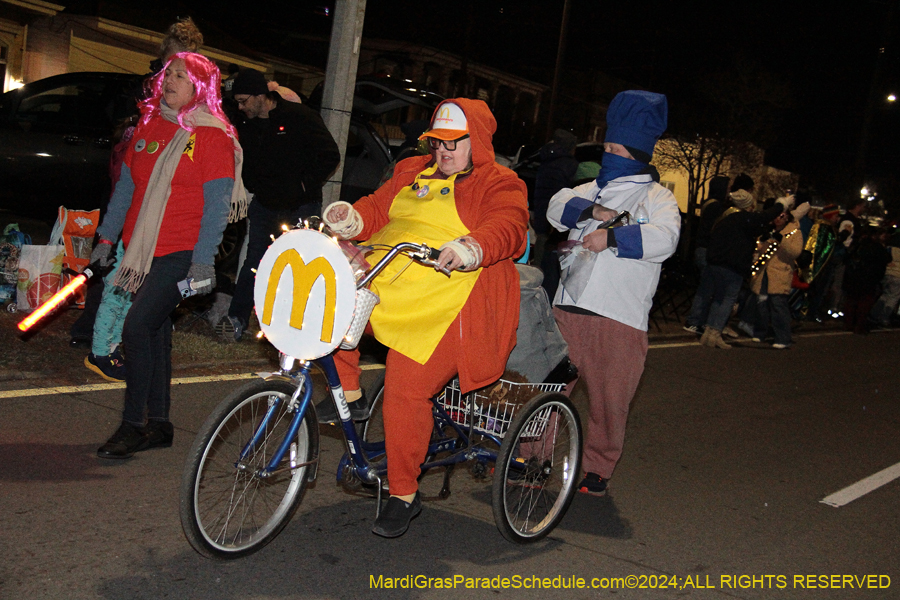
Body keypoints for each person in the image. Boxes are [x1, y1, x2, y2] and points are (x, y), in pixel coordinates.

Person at [319, 99, 528, 537]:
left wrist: (472, 247)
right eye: (438, 143)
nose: (444, 152)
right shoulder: (411, 170)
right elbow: (378, 210)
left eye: (455, 143)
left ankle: (403, 493)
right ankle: (350, 396)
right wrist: (351, 217)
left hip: (450, 301)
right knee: (327, 307)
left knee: (405, 388)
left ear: (478, 142)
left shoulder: (500, 180)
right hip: (390, 281)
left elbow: (509, 225)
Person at [92, 52, 247, 459]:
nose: (170, 80)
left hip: (181, 252)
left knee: (136, 327)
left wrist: (202, 262)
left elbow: (216, 208)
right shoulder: (150, 126)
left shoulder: (211, 136)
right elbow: (125, 189)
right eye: (168, 74)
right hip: (141, 252)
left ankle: (133, 424)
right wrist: (105, 240)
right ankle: (159, 423)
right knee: (155, 332)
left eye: (182, 75)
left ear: (201, 87)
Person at [547, 90, 680, 497]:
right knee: (547, 392)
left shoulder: (658, 197)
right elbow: (555, 207)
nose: (608, 153)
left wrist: (615, 237)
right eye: (606, 145)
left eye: (615, 147)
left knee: (609, 402)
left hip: (618, 318)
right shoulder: (589, 189)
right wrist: (592, 212)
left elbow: (667, 239)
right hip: (566, 310)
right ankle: (531, 457)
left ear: (637, 152)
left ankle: (597, 470)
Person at [69, 17, 205, 349]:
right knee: (118, 269)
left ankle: (119, 339)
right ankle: (98, 341)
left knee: (139, 278)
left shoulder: (190, 100)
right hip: (134, 191)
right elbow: (122, 130)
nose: (174, 75)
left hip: (159, 200)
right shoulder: (146, 91)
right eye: (171, 66)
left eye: (183, 68)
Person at [216, 68, 340, 342]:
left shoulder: (299, 117)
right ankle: (236, 319)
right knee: (254, 262)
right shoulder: (245, 125)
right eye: (237, 101)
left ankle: (294, 326)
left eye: (244, 100)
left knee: (298, 266)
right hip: (265, 205)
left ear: (262, 95)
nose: (241, 106)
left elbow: (330, 155)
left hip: (301, 206)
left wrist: (304, 185)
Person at [700, 186, 788, 349]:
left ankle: (708, 333)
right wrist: (781, 205)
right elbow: (763, 218)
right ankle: (716, 332)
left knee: (718, 298)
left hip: (716, 262)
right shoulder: (742, 218)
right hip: (732, 265)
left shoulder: (725, 217)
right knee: (727, 299)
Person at [748, 204, 806, 348]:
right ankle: (760, 332)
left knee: (778, 305)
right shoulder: (768, 230)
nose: (778, 219)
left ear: (787, 217)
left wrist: (782, 241)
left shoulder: (794, 232)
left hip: (780, 273)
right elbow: (758, 249)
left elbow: (795, 252)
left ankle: (782, 337)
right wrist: (761, 242)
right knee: (761, 304)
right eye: (777, 216)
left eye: (782, 216)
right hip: (763, 273)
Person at [683, 175, 732, 334]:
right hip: (707, 250)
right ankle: (695, 320)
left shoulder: (709, 204)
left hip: (702, 249)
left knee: (707, 287)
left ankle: (697, 320)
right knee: (707, 288)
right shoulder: (716, 207)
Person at [869, 230, 900, 327]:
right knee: (893, 297)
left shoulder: (889, 246)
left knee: (885, 295)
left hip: (887, 272)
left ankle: (874, 314)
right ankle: (884, 317)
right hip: (898, 274)